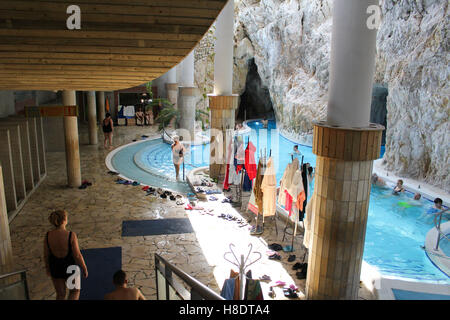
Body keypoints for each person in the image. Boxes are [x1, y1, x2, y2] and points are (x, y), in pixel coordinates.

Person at [43, 210, 88, 300]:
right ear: (64, 220)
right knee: (75, 291)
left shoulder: (48, 236)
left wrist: (48, 268)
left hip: (55, 266)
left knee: (60, 294)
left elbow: (46, 255)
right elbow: (77, 255)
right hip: (70, 266)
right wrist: (84, 267)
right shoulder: (71, 235)